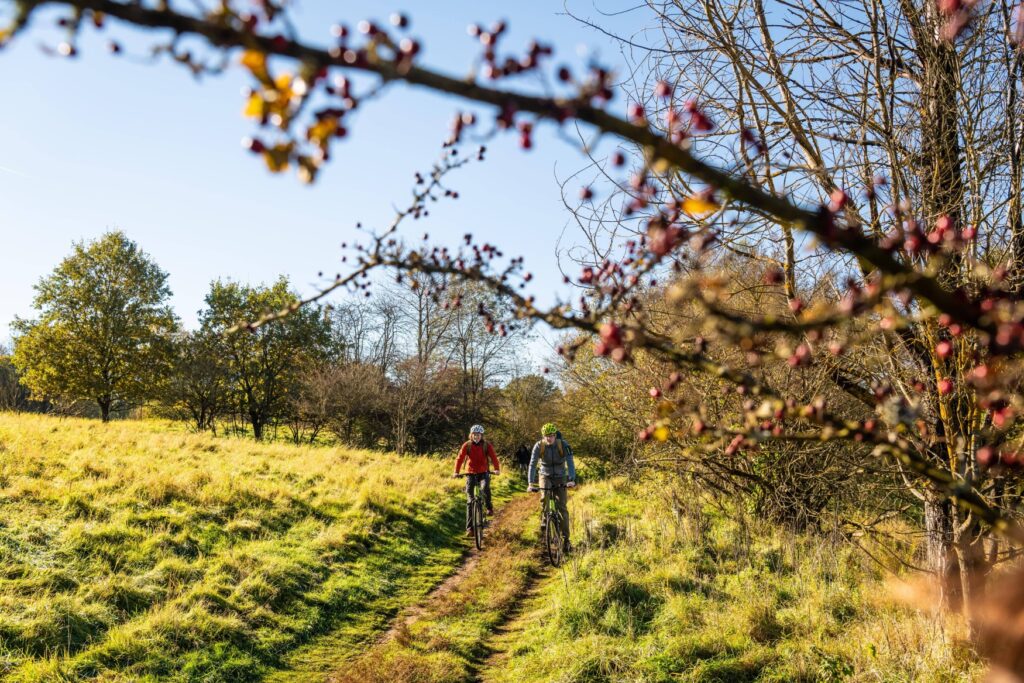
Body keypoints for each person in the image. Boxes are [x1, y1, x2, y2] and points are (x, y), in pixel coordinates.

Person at [527, 423, 576, 551]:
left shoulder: (563, 445)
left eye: (552, 436)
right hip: (545, 475)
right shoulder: (539, 446)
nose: (549, 439)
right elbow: (532, 464)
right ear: (543, 436)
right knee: (544, 496)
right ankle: (545, 518)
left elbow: (570, 462)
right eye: (547, 436)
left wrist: (571, 479)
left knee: (562, 508)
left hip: (560, 476)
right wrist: (530, 483)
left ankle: (566, 540)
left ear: (556, 436)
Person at [453, 424, 501, 535]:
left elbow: (493, 457)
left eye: (478, 434)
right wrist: (456, 471)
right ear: (471, 435)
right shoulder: (467, 445)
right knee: (470, 500)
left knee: (485, 488)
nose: (476, 436)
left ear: (481, 435)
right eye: (474, 434)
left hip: (484, 473)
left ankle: (489, 507)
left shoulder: (486, 445)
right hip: (470, 473)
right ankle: (469, 529)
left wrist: (497, 469)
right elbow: (459, 458)